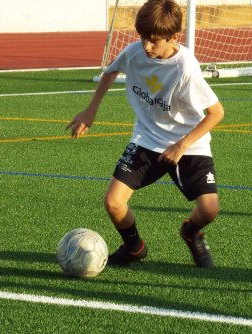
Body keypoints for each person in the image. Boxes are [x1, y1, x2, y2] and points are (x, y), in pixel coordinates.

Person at [66, 0, 224, 268]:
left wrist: (181, 146)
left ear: (173, 37)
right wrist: (90, 111)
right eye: (142, 38)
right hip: (147, 139)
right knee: (113, 202)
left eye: (154, 41)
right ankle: (134, 247)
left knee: (209, 209)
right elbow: (110, 72)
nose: (146, 47)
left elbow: (216, 113)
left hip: (188, 143)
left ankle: (190, 232)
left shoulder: (185, 68)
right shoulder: (134, 53)